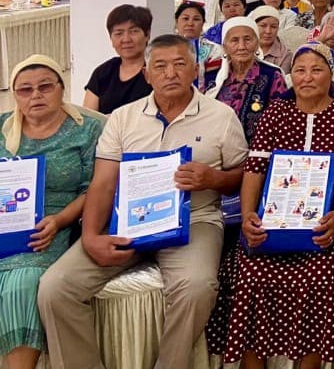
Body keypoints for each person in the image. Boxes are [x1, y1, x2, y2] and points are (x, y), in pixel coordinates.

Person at [37, 34, 248, 369]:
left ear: (195, 69)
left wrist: (212, 179)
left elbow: (242, 175)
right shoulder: (123, 118)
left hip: (194, 221)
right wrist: (90, 236)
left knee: (197, 287)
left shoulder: (221, 116)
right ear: (147, 74)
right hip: (127, 222)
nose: (170, 74)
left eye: (179, 64)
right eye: (160, 66)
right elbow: (103, 183)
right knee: (55, 288)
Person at [213, 42, 334, 368]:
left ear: (330, 75)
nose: (307, 77)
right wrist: (248, 216)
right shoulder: (276, 114)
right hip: (271, 222)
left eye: (316, 70)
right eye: (300, 70)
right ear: (291, 76)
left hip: (323, 224)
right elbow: (254, 169)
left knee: (322, 279)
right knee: (251, 276)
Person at [0, 56, 103, 369]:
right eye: (25, 90)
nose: (35, 95)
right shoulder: (2, 128)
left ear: (61, 88)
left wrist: (59, 221)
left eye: (45, 87)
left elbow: (94, 188)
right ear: (15, 95)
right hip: (6, 220)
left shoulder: (87, 130)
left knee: (23, 281)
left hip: (56, 223)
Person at [203, 16, 288, 145]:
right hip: (215, 147)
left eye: (247, 39)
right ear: (225, 47)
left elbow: (281, 121)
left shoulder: (272, 76)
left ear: (257, 44)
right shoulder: (212, 78)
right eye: (234, 40)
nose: (242, 46)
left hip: (257, 150)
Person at [83, 4, 153, 115]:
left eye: (133, 31)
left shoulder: (157, 71)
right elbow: (89, 118)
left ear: (147, 35)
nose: (126, 39)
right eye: (118, 33)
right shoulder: (103, 72)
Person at [174, 0, 224, 89]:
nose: (190, 23)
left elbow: (214, 83)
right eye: (185, 18)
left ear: (203, 23)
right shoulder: (167, 48)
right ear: (176, 22)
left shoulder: (214, 49)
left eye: (196, 19)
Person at [253, 6, 292, 74]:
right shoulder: (243, 48)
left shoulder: (285, 55)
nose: (268, 31)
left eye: (273, 27)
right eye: (263, 26)